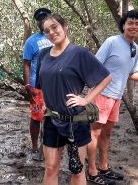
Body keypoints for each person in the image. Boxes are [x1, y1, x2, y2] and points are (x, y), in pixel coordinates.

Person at [86, 9, 138, 185]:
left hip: (116, 97)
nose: (134, 26)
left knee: (106, 134)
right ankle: (92, 172)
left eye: (137, 24)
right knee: (94, 133)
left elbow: (131, 74)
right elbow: (94, 65)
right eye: (130, 22)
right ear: (123, 25)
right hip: (101, 95)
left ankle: (104, 167)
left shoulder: (135, 49)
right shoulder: (112, 42)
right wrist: (90, 94)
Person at [38, 13, 112, 185]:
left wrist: (86, 100)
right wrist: (45, 102)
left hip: (75, 121)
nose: (51, 32)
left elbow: (106, 78)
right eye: (46, 30)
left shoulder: (79, 53)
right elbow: (44, 83)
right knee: (50, 168)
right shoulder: (43, 55)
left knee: (77, 169)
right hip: (51, 118)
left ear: (65, 27)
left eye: (54, 27)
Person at [22, 8, 54, 161]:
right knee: (36, 117)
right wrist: (28, 85)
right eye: (40, 19)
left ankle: (48, 146)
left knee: (52, 118)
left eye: (45, 18)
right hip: (37, 86)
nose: (43, 21)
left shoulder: (57, 36)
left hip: (55, 85)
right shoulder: (31, 41)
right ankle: (35, 146)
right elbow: (26, 64)